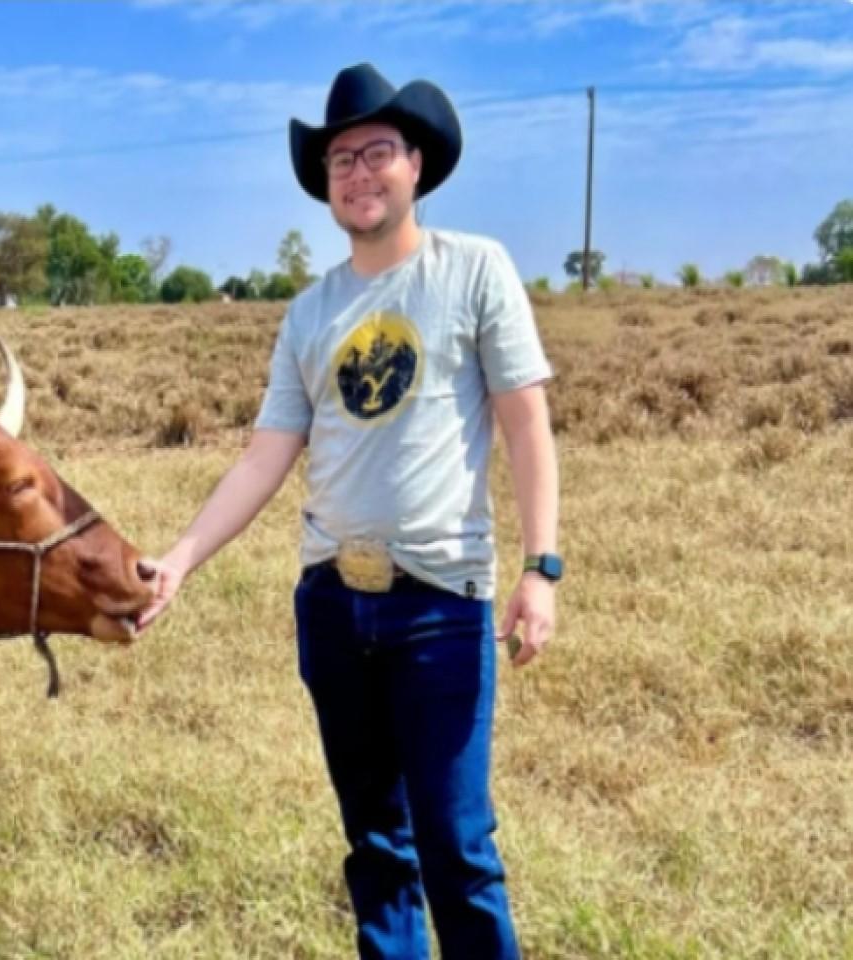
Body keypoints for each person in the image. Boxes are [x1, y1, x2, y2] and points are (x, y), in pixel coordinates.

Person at [137, 62, 561, 959]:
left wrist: (540, 567)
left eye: (376, 153)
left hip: (440, 605)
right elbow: (265, 457)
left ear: (416, 164)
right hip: (333, 604)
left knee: (459, 850)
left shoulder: (475, 270)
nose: (358, 173)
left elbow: (527, 428)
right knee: (375, 847)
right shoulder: (309, 312)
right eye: (340, 160)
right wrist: (179, 559)